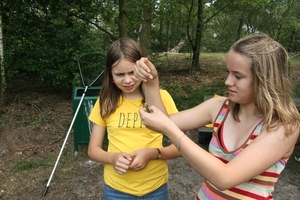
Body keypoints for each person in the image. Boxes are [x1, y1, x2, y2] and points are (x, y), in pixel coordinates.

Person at [134, 33, 300, 199]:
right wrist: (151, 81)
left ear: (265, 80)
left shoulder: (284, 126)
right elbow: (164, 120)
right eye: (228, 72)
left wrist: (172, 132)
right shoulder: (220, 107)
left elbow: (225, 178)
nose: (228, 81)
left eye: (238, 76)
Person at [88, 37, 181, 200]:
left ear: (143, 69)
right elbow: (93, 149)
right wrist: (113, 158)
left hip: (155, 188)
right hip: (116, 190)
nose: (128, 80)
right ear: (110, 74)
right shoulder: (105, 101)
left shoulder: (162, 98)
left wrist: (153, 153)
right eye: (120, 74)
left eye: (132, 72)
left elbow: (180, 146)